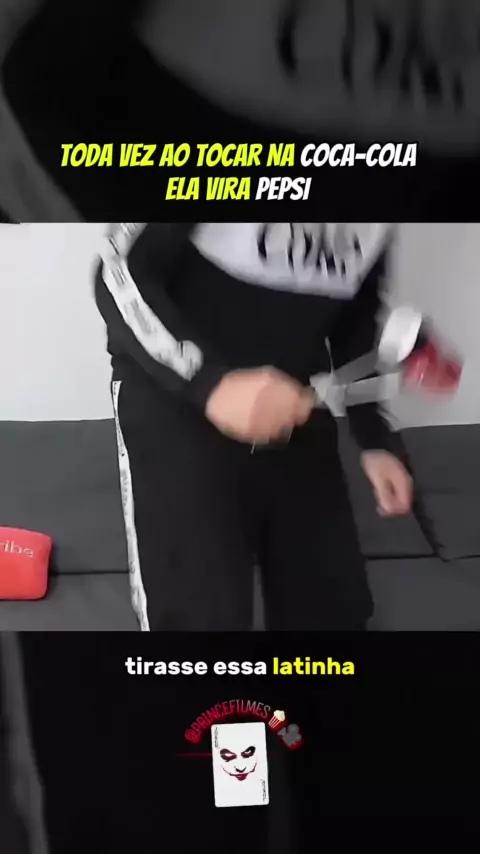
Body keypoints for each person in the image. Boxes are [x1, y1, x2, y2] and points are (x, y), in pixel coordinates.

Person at [94, 222, 413, 631]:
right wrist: (210, 383)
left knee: (333, 609)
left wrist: (374, 440)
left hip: (293, 408)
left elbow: (356, 322)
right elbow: (117, 269)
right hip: (179, 409)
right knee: (199, 618)